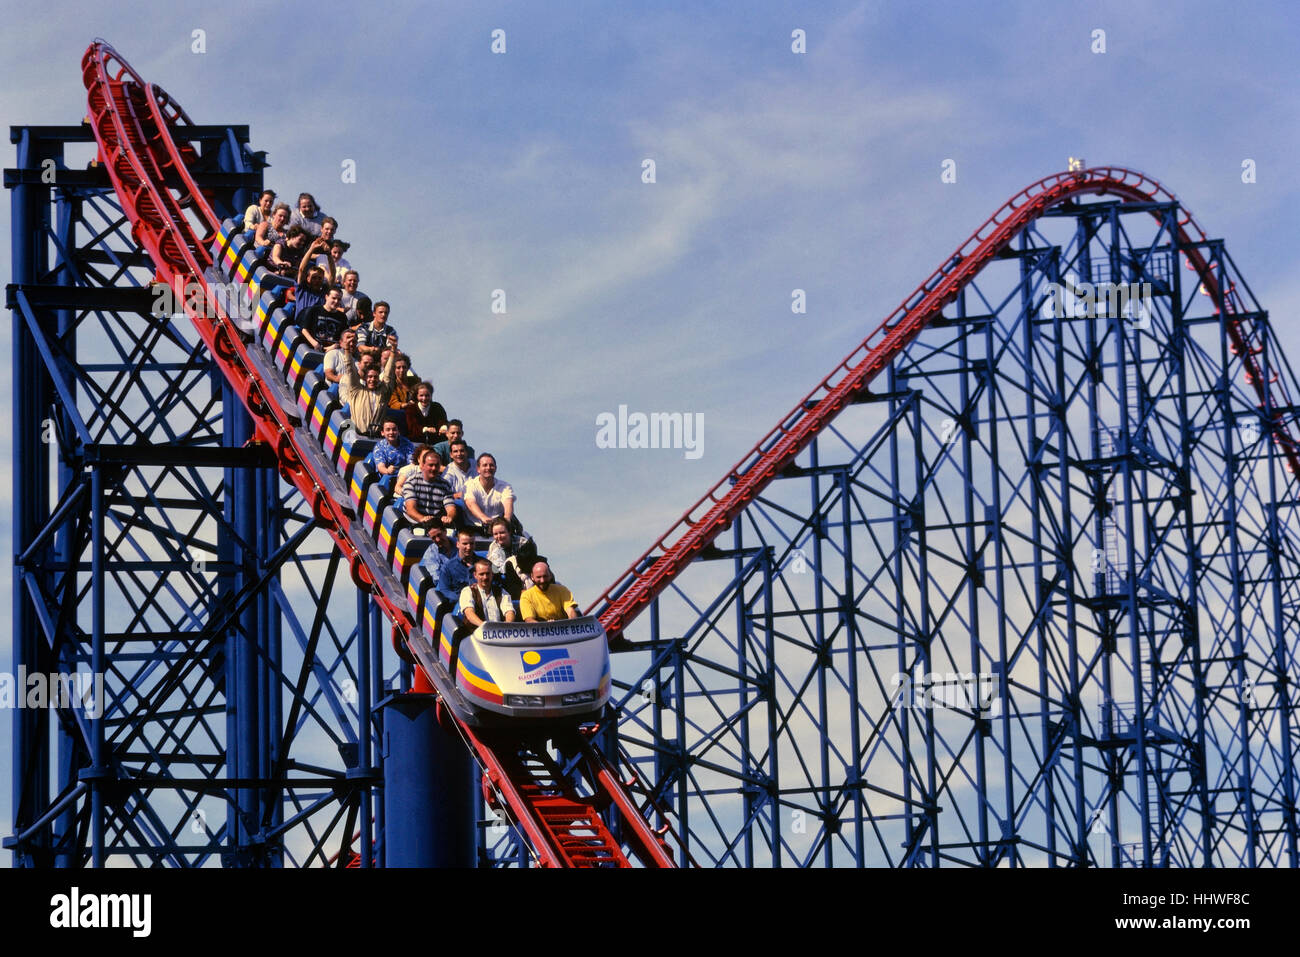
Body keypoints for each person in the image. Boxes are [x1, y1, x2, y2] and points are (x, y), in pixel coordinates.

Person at [339, 347, 397, 436]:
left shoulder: (383, 393)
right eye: (369, 377)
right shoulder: (357, 391)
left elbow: (388, 374)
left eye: (375, 377)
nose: (372, 379)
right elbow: (350, 368)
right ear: (365, 378)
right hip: (358, 435)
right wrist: (347, 350)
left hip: (376, 436)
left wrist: (393, 351)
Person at [403, 449, 459, 531]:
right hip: (415, 523)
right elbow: (410, 509)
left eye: (437, 465)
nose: (434, 468)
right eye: (431, 465)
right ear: (423, 465)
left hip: (436, 524)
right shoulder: (412, 482)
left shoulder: (445, 484)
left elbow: (451, 507)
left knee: (451, 533)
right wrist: (422, 519)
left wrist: (449, 517)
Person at [461, 453, 517, 535]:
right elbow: (470, 503)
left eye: (491, 465)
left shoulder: (505, 486)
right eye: (485, 465)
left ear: (495, 468)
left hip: (498, 529)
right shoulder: (469, 485)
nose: (488, 468)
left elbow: (508, 503)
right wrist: (483, 518)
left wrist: (506, 520)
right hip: (473, 528)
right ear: (478, 469)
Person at [486, 517, 535, 600]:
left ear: (509, 531)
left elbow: (532, 560)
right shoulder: (493, 547)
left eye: (502, 533)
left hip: (526, 571)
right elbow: (497, 569)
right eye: (495, 534)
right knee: (511, 562)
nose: (499, 536)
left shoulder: (522, 542)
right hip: (507, 578)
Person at [459, 558, 516, 626]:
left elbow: (509, 611)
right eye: (481, 574)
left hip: (498, 633)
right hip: (475, 633)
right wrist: (485, 627)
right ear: (475, 575)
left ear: (492, 574)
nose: (485, 577)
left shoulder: (501, 592)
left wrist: (507, 625)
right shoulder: (467, 591)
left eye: (488, 573)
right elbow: (469, 613)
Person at [368, 420, 414, 492]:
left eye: (394, 429)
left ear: (398, 432)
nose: (391, 432)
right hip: (388, 479)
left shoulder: (407, 443)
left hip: (405, 476)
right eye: (388, 430)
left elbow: (412, 462)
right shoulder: (379, 447)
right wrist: (387, 471)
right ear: (382, 433)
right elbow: (380, 467)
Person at [435, 530, 478, 605]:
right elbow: (445, 590)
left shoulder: (487, 564)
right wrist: (463, 599)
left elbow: (497, 578)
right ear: (457, 544)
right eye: (465, 544)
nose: (469, 547)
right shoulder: (447, 567)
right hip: (458, 606)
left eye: (471, 543)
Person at [323, 327, 360, 393]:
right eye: (348, 339)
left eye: (354, 341)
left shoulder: (358, 362)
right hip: (331, 392)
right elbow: (328, 374)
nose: (351, 344)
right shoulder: (333, 354)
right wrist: (339, 379)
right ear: (341, 342)